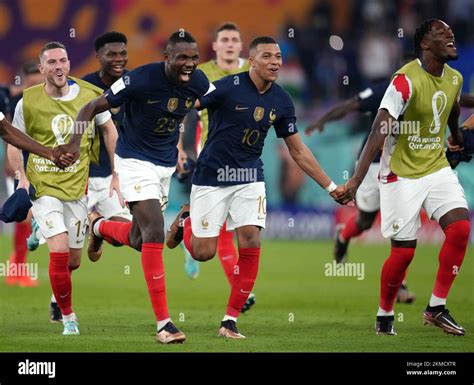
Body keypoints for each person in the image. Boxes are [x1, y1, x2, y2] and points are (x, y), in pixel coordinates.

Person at [166, 36, 345, 339]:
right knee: (203, 252)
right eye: (267, 56)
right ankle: (186, 220)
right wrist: (175, 142)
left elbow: (298, 150)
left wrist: (330, 186)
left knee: (250, 243)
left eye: (278, 56)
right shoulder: (226, 87)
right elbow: (186, 106)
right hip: (212, 175)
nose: (275, 62)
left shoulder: (282, 100)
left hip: (250, 178)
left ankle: (229, 321)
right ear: (252, 61)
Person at [64, 31, 210, 344]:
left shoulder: (198, 82)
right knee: (155, 230)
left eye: (194, 57)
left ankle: (100, 226)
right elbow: (88, 108)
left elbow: (208, 108)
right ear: (167, 57)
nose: (189, 64)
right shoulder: (140, 80)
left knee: (140, 239)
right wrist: (75, 143)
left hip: (164, 165)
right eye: (182, 57)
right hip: (132, 161)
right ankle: (164, 324)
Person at [339, 19, 470, 336]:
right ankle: (384, 314)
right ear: (425, 44)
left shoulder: (455, 77)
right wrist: (356, 180)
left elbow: (451, 108)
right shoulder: (404, 81)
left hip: (436, 166)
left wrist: (455, 135)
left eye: (451, 33)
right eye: (442, 34)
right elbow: (378, 129)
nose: (451, 36)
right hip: (401, 174)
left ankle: (436, 307)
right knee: (404, 252)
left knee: (461, 228)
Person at [7, 41, 118, 336]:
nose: (59, 67)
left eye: (63, 61)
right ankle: (68, 317)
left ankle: (39, 232)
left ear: (69, 64)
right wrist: (21, 175)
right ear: (41, 68)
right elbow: (14, 139)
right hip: (43, 187)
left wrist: (116, 172)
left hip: (76, 188)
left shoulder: (90, 96)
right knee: (57, 251)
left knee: (73, 261)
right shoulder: (27, 101)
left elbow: (109, 129)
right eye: (52, 62)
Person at [305, 77, 415, 304]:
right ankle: (343, 235)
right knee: (365, 220)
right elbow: (350, 105)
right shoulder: (388, 89)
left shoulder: (431, 88)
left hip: (405, 165)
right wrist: (322, 120)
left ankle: (400, 284)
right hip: (371, 163)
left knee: (400, 224)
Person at [185, 22, 256, 311]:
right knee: (224, 229)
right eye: (223, 39)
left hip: (244, 159)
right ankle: (242, 292)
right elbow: (185, 113)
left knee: (237, 227)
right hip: (208, 157)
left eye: (234, 39)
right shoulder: (202, 74)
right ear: (214, 46)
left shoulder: (252, 74)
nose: (229, 44)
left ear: (242, 46)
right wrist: (182, 149)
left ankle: (189, 228)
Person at [82, 31, 131, 254]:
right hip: (83, 174)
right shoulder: (83, 88)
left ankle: (96, 225)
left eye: (123, 53)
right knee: (68, 248)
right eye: (111, 54)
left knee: (123, 234)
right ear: (98, 57)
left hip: (115, 174)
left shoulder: (135, 83)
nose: (119, 58)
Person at [2, 61, 45, 287]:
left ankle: (17, 266)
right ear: (23, 82)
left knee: (27, 219)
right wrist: (10, 162)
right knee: (22, 215)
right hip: (15, 163)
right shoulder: (15, 101)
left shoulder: (47, 102)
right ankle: (16, 268)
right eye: (32, 84)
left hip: (37, 164)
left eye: (40, 83)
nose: (36, 88)